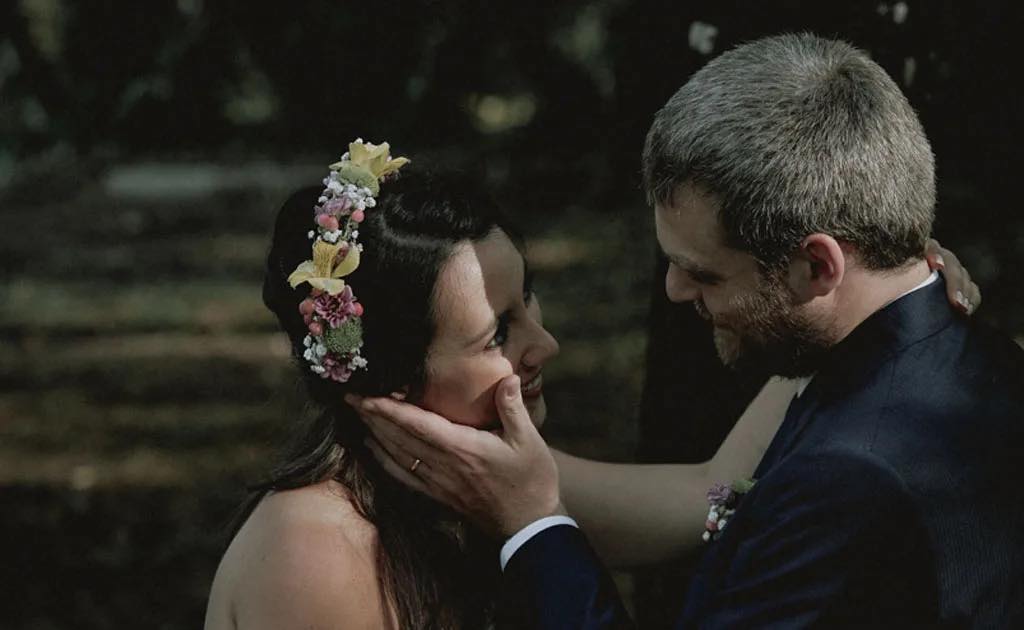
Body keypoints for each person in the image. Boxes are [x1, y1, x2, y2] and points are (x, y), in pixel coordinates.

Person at [352, 33, 1023, 628]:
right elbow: (711, 492)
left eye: (703, 274)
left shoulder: (846, 477)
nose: (675, 293)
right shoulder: (968, 360)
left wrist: (533, 528)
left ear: (818, 265)